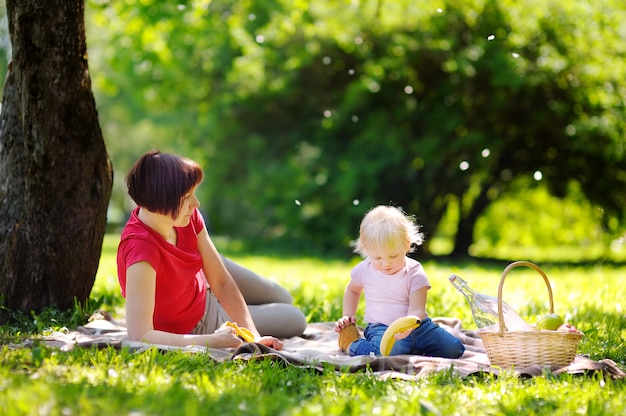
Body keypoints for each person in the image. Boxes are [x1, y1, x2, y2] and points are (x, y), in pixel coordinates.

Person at [117, 150, 307, 350]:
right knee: (295, 318)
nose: (196, 204)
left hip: (201, 278)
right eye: (187, 197)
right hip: (204, 318)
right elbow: (140, 335)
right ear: (160, 202)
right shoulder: (142, 252)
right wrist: (212, 340)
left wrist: (253, 336)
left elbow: (222, 282)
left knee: (283, 296)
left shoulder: (188, 218)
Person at [334, 205, 465, 358]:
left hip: (419, 327)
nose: (385, 263)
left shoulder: (414, 272)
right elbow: (352, 290)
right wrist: (348, 316)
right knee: (382, 354)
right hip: (382, 328)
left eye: (393, 256)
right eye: (377, 257)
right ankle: (350, 343)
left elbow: (417, 309)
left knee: (455, 349)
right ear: (366, 249)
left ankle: (411, 347)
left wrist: (407, 326)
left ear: (406, 244)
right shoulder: (364, 269)